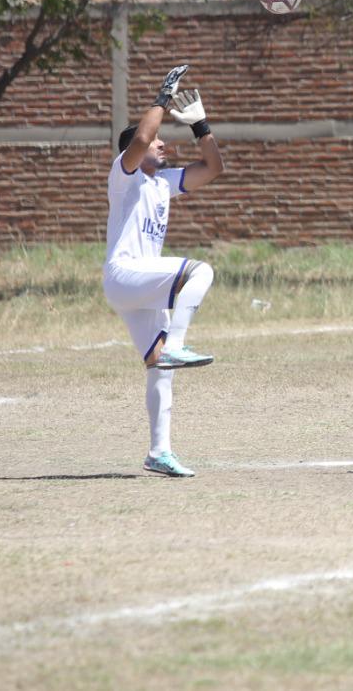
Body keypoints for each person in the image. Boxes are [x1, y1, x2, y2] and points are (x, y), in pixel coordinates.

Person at [103, 65, 225, 479]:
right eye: (158, 141)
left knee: (160, 367)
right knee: (201, 271)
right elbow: (139, 138)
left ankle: (159, 452)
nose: (161, 144)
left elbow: (213, 169)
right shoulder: (125, 175)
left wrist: (200, 126)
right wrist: (161, 98)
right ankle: (177, 342)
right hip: (125, 274)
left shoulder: (162, 182)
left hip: (141, 288)